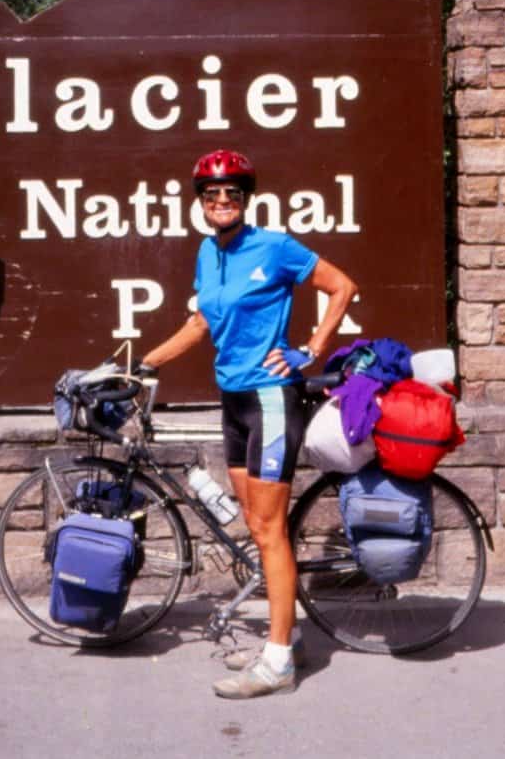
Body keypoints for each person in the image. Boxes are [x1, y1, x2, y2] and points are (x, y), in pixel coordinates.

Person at [140, 149, 357, 700]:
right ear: (200, 202)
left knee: (267, 530)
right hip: (233, 400)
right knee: (259, 527)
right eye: (211, 195)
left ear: (245, 199)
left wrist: (310, 349)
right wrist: (143, 365)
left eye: (230, 194)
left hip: (270, 399)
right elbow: (201, 322)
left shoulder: (274, 246)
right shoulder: (208, 254)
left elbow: (341, 287)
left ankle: (279, 661)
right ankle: (286, 637)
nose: (220, 202)